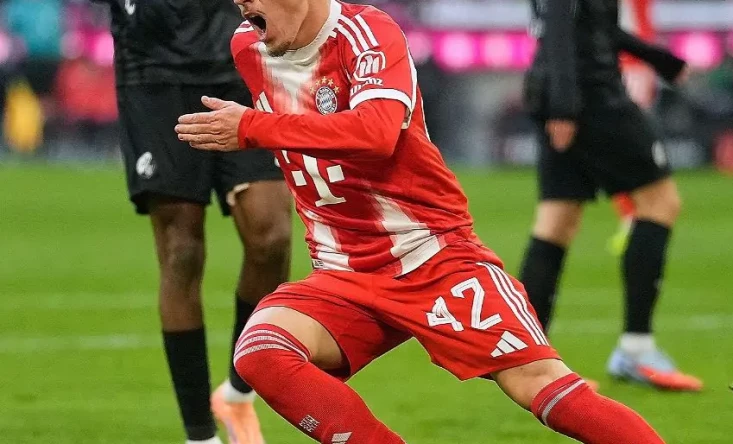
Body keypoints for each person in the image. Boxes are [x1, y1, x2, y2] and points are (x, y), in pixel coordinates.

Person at [174, 0, 668, 442]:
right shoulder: (249, 47)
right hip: (343, 271)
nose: (242, 3)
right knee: (261, 352)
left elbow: (378, 133)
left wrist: (253, 127)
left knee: (538, 386)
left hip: (432, 255)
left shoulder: (369, 33)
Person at [96, 0, 291, 442]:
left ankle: (239, 392)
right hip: (154, 71)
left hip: (243, 59)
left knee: (272, 236)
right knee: (181, 250)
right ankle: (199, 435)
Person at [518, 0, 702, 390]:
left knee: (557, 220)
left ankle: (527, 361)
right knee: (661, 201)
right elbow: (560, 25)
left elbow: (593, 26)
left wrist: (657, 58)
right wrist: (565, 107)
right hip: (591, 96)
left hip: (557, 89)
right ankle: (636, 349)